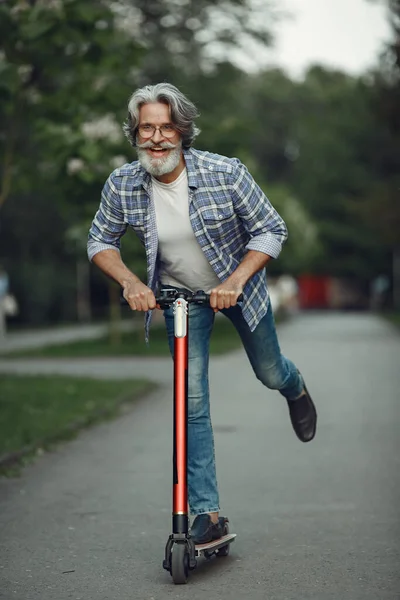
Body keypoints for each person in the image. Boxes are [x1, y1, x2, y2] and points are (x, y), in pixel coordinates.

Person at [87, 83, 317, 544]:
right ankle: (207, 515)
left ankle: (295, 388)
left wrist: (235, 280)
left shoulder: (225, 172)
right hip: (178, 301)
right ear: (134, 134)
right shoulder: (123, 183)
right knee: (191, 405)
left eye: (166, 127)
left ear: (183, 130)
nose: (156, 138)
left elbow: (271, 228)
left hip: (238, 292)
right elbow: (100, 241)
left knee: (270, 372)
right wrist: (132, 282)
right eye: (146, 128)